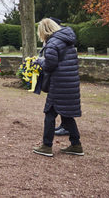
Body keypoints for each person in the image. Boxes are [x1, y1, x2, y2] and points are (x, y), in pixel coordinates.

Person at [32, 18, 83, 157]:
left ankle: (46, 146)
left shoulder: (53, 43)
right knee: (66, 114)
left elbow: (50, 65)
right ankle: (76, 144)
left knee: (49, 114)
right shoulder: (66, 39)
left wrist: (40, 62)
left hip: (59, 84)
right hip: (70, 82)